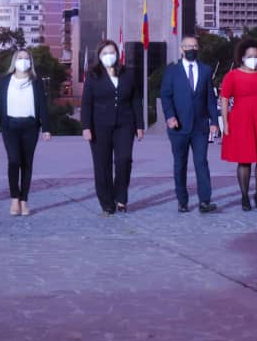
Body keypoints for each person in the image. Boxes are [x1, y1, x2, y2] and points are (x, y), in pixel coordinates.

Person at [81, 40, 144, 215]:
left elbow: (136, 100)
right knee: (102, 165)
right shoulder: (93, 76)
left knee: (124, 160)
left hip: (125, 124)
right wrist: (86, 126)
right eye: (105, 53)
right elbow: (86, 103)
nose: (109, 56)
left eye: (112, 52)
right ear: (99, 56)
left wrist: (139, 125)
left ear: (117, 54)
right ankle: (107, 203)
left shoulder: (128, 74)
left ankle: (121, 197)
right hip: (99, 126)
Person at [0, 49, 52, 216]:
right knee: (14, 160)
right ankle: (14, 198)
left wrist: (46, 128)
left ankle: (24, 201)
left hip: (30, 127)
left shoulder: (36, 82)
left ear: (30, 62)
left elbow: (43, 107)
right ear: (14, 61)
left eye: (26, 58)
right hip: (10, 126)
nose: (23, 61)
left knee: (27, 164)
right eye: (20, 58)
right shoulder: (5, 81)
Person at [159, 35, 220, 213]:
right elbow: (165, 95)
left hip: (200, 127)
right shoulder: (172, 71)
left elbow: (210, 97)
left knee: (201, 162)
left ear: (198, 48)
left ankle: (205, 201)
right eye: (187, 46)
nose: (191, 49)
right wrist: (170, 116)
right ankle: (182, 201)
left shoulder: (206, 70)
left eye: (194, 46)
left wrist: (214, 121)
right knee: (180, 164)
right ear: (181, 49)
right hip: (178, 127)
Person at [220, 38, 257, 211]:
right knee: (244, 160)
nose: (254, 58)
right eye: (250, 56)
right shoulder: (232, 75)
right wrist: (225, 122)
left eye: (256, 56)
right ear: (242, 57)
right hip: (241, 120)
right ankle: (244, 195)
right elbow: (224, 99)